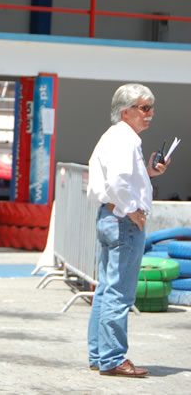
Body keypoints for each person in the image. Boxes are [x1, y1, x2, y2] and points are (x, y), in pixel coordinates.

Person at [86, 83, 169, 378]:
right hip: (122, 220)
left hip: (110, 217)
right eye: (144, 108)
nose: (150, 114)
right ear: (126, 111)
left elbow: (121, 178)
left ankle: (100, 354)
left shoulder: (115, 136)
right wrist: (132, 211)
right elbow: (119, 182)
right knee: (119, 293)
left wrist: (148, 172)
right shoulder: (125, 139)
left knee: (107, 290)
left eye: (151, 108)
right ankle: (112, 358)